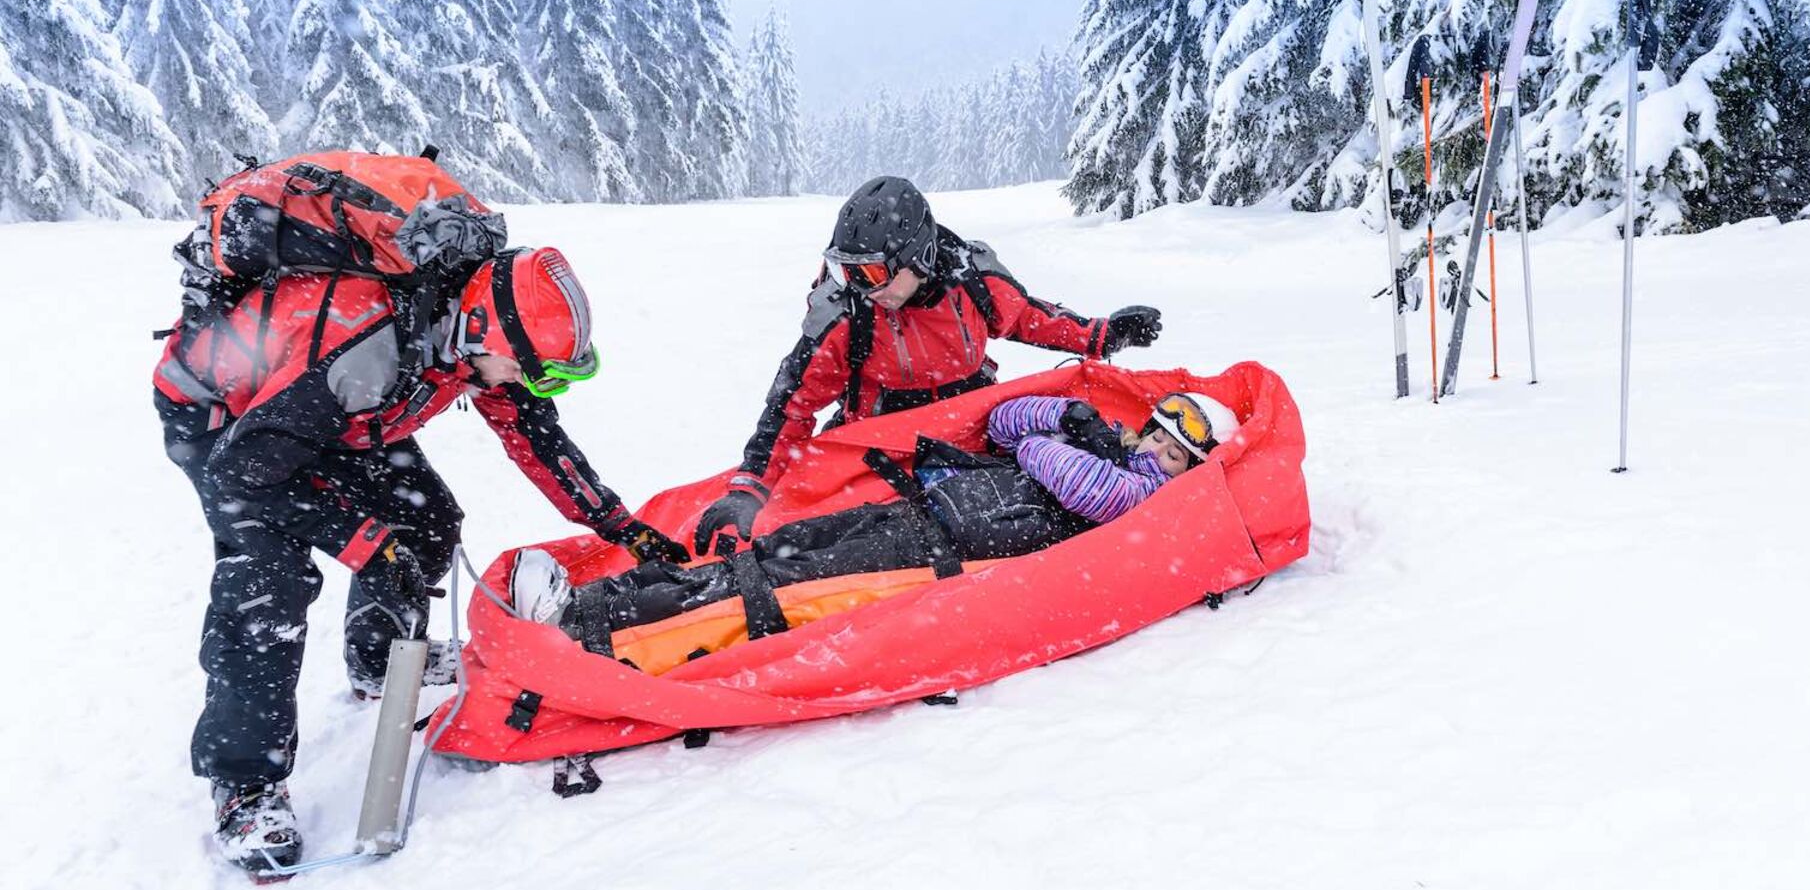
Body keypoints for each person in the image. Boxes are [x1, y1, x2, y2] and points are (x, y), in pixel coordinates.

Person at [153, 246, 684, 875]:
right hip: (230, 426)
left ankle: (378, 660)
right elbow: (246, 475)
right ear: (485, 332)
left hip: (330, 412)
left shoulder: (467, 338)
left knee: (424, 522)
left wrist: (617, 523)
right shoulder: (370, 348)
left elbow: (537, 437)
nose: (525, 383)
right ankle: (245, 786)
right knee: (270, 586)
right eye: (529, 370)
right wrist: (367, 541)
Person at [511, 391, 1242, 654]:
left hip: (940, 553)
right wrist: (1060, 412)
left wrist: (1050, 437)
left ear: (1189, 470)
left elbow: (1065, 477)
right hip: (925, 515)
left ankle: (585, 629)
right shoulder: (1108, 446)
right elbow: (1006, 421)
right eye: (1155, 434)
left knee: (770, 589)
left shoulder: (1143, 499)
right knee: (769, 552)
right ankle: (602, 601)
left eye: (1175, 452)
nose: (1154, 450)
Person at [694, 175, 1166, 557]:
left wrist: (1103, 335)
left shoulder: (972, 281)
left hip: (975, 435)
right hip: (882, 447)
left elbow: (1028, 317)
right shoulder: (848, 315)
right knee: (856, 542)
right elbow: (791, 406)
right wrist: (750, 488)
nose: (860, 285)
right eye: (847, 271)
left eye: (873, 273)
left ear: (916, 256)